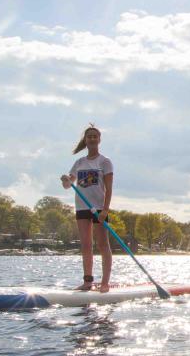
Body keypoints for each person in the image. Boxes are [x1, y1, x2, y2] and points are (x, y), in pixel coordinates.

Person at [61, 125, 113, 292]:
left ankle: (105, 283)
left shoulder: (105, 161)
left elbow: (109, 188)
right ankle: (88, 281)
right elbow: (68, 185)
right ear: (85, 140)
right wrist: (65, 179)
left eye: (94, 136)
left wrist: (105, 210)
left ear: (99, 140)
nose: (91, 139)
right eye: (89, 136)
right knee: (85, 245)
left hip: (98, 208)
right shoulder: (79, 162)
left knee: (103, 245)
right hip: (82, 207)